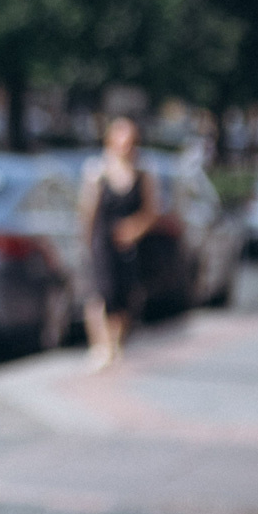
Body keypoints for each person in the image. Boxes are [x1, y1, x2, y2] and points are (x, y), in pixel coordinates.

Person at [79, 113, 160, 370]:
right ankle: (101, 348)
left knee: (124, 298)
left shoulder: (143, 174)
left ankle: (115, 345)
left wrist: (135, 229)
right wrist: (86, 242)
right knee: (100, 294)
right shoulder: (97, 172)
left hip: (129, 246)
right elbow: (86, 211)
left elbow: (151, 211)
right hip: (102, 242)